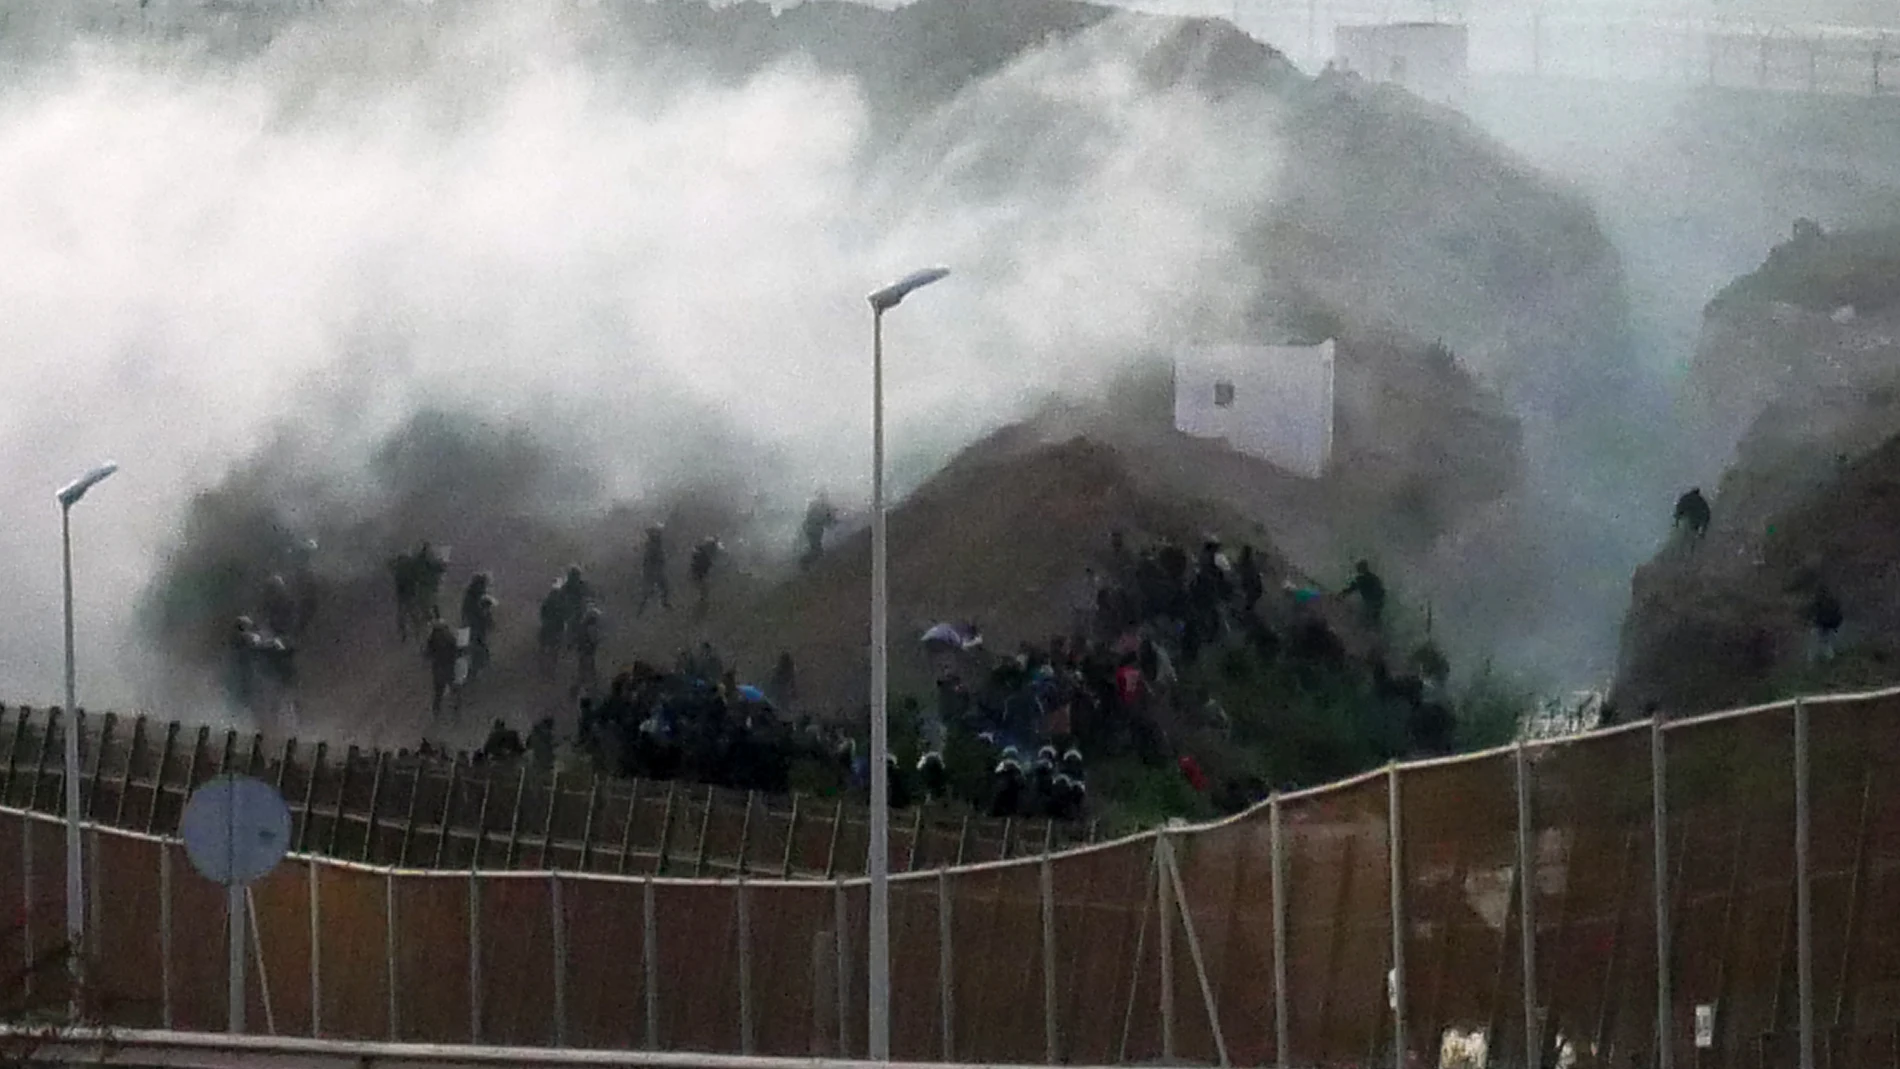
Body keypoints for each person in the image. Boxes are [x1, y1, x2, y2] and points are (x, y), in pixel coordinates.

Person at [424, 609, 461, 718]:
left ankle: (436, 711)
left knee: (438, 691)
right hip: (449, 665)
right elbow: (455, 647)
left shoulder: (432, 637)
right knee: (453, 687)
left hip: (438, 667)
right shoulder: (448, 634)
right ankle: (456, 709)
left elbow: (428, 653)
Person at [1342, 560, 1386, 627]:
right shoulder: (1375, 578)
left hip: (1371, 605)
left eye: (1358, 568)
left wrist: (1340, 595)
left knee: (1367, 623)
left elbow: (1351, 589)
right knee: (1375, 622)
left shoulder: (1361, 579)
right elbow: (1382, 591)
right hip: (1377, 604)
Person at [637, 525, 670, 615]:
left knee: (659, 589)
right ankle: (641, 609)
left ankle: (642, 608)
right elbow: (651, 560)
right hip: (653, 571)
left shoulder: (653, 545)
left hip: (653, 571)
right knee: (651, 590)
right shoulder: (652, 546)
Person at [802, 496, 838, 568]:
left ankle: (808, 565)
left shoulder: (814, 504)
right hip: (815, 528)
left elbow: (808, 515)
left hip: (808, 527)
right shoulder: (825, 506)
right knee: (817, 549)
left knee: (815, 548)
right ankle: (805, 564)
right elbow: (829, 522)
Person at [690, 537, 722, 615]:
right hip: (701, 571)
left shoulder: (701, 550)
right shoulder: (708, 551)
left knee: (702, 585)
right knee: (703, 585)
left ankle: (702, 599)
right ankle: (702, 599)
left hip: (699, 570)